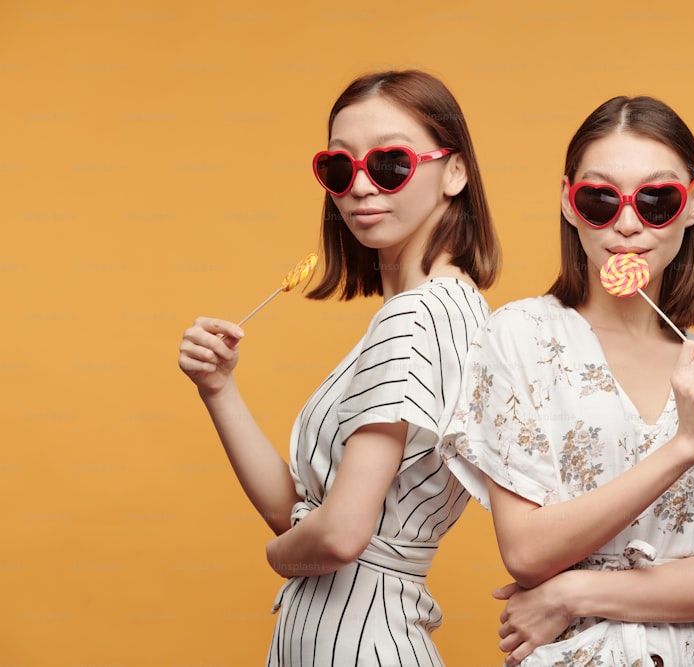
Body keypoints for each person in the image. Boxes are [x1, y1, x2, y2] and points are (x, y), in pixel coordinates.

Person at [440, 96, 694, 666]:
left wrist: (572, 592)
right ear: (568, 202)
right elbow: (526, 550)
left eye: (656, 200)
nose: (626, 224)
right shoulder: (520, 337)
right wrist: (684, 447)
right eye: (599, 199)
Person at [177, 69, 500, 666]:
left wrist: (279, 559)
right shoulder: (460, 311)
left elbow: (338, 535)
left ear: (454, 171)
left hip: (357, 644)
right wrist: (218, 389)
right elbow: (302, 511)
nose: (360, 187)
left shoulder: (414, 319)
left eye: (390, 164)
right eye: (339, 168)